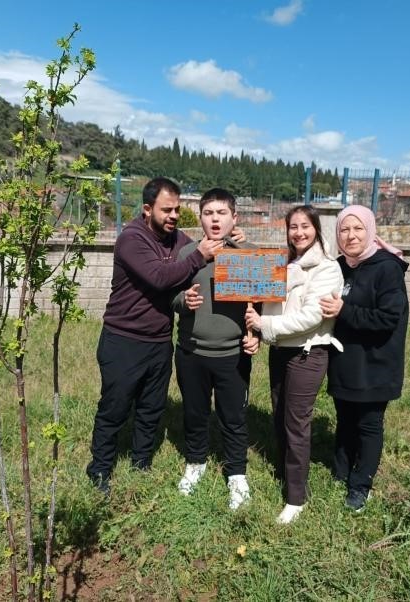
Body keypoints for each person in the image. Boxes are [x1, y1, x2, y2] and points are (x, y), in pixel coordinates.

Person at [86, 177, 223, 495]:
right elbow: (160, 277)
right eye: (167, 210)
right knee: (115, 408)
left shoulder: (177, 239)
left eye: (177, 209)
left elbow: (200, 248)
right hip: (123, 340)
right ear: (147, 209)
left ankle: (141, 463)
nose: (174, 215)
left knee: (151, 409)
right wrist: (199, 255)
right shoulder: (132, 239)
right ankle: (100, 468)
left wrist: (230, 241)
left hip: (159, 341)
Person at [245, 205, 343, 524]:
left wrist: (263, 325)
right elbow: (265, 297)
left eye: (305, 226)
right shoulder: (284, 265)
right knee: (280, 416)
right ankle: (286, 472)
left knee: (296, 422)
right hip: (281, 351)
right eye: (292, 227)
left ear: (316, 228)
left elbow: (313, 316)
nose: (299, 232)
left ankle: (297, 498)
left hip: (308, 353)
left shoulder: (327, 268)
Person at [171, 188, 260, 510]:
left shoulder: (249, 254)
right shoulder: (188, 254)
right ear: (201, 218)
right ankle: (196, 462)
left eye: (222, 213)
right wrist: (184, 301)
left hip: (231, 355)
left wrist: (258, 336)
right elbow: (171, 294)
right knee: (194, 413)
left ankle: (236, 472)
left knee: (233, 417)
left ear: (234, 217)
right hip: (191, 352)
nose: (215, 219)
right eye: (208, 213)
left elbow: (262, 304)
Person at [319, 205, 408, 513]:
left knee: (369, 424)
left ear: (370, 230)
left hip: (375, 363)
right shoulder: (340, 266)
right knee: (344, 420)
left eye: (358, 229)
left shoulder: (386, 268)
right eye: (344, 229)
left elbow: (388, 318)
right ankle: (341, 471)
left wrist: (345, 311)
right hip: (345, 360)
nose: (351, 235)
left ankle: (361, 485)